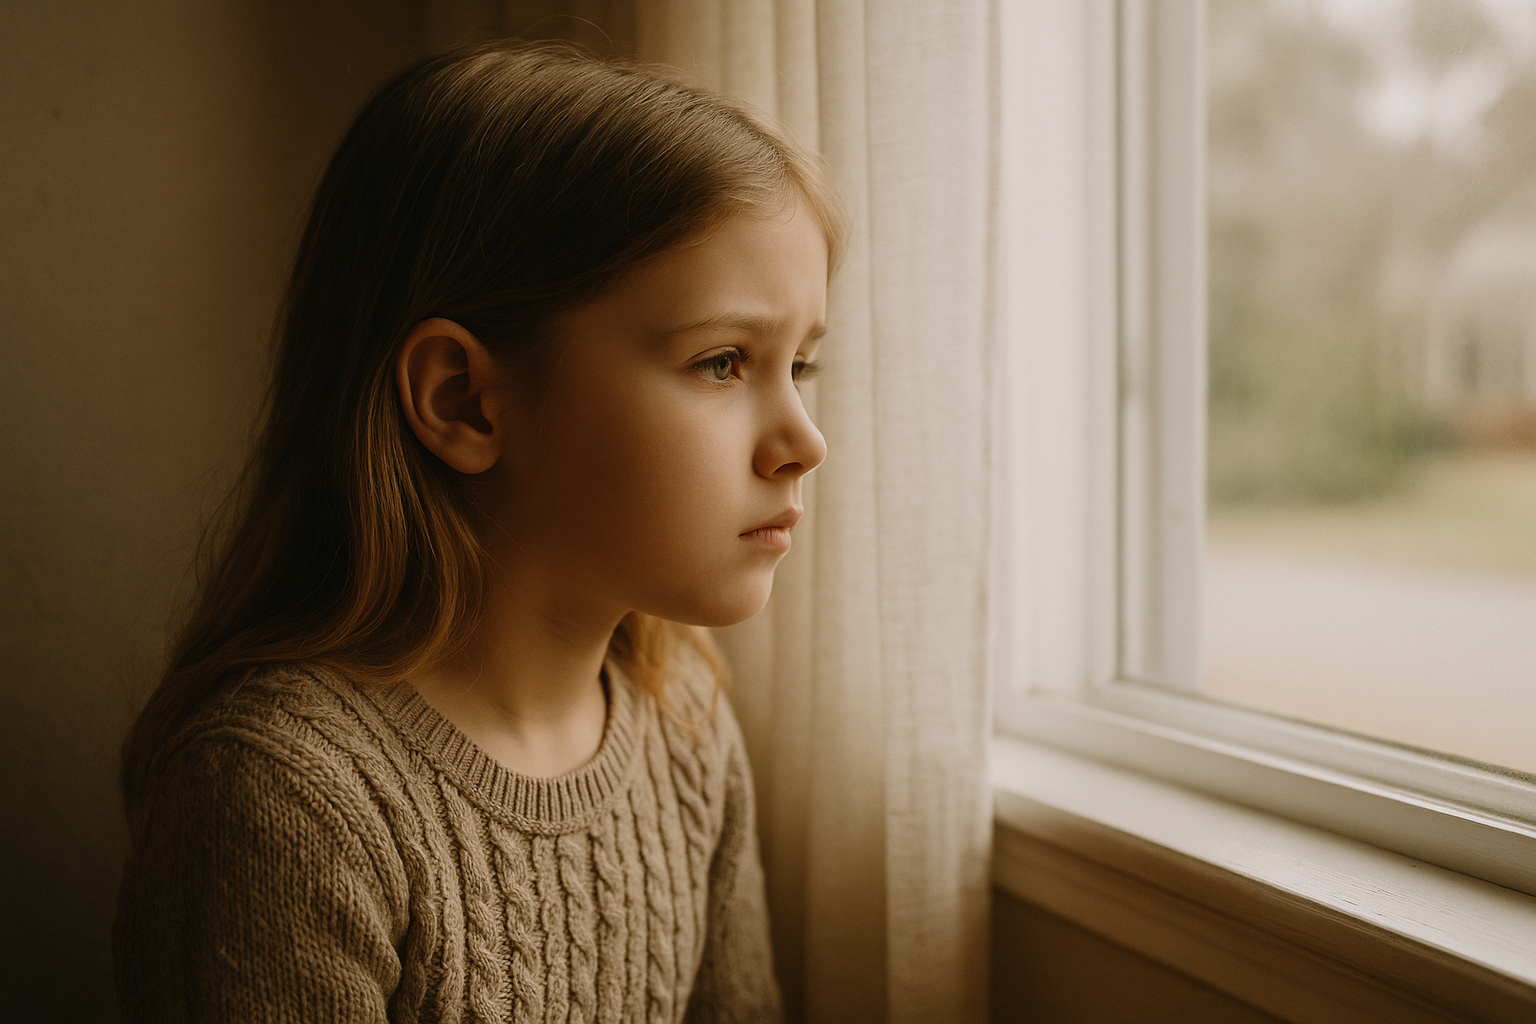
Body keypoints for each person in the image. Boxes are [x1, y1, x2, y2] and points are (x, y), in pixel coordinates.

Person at [112, 39, 842, 1023]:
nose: (805, 443)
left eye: (801, 366)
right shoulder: (283, 798)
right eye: (722, 362)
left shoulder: (683, 722)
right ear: (463, 399)